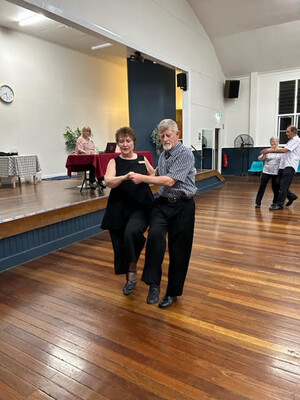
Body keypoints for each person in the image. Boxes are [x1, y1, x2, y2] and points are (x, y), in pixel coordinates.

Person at [129, 119, 197, 309]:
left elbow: (168, 181)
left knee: (179, 250)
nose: (165, 138)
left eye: (168, 135)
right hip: (162, 204)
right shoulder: (163, 154)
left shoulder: (185, 153)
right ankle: (154, 284)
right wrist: (149, 170)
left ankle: (172, 292)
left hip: (183, 206)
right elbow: (159, 173)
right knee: (155, 238)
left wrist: (143, 178)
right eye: (162, 136)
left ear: (177, 134)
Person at [101, 126, 155, 295]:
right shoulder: (114, 161)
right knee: (120, 243)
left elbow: (152, 175)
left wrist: (154, 174)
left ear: (133, 142)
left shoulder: (142, 159)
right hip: (118, 208)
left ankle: (132, 268)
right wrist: (124, 177)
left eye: (128, 141)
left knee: (131, 233)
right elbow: (108, 181)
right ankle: (129, 276)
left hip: (140, 207)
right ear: (118, 144)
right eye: (121, 141)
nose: (125, 144)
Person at [261, 125, 300, 210]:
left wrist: (269, 150)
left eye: (288, 131)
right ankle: (291, 196)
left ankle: (279, 204)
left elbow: (284, 150)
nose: (286, 133)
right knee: (277, 183)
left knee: (283, 185)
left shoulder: (296, 140)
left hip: (290, 165)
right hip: (283, 166)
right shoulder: (291, 141)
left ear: (293, 132)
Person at [255, 137, 281, 208]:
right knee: (262, 186)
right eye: (272, 142)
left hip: (276, 171)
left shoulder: (281, 150)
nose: (273, 143)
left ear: (277, 142)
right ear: (270, 143)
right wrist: (264, 154)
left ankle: (275, 202)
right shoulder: (267, 150)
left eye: (275, 142)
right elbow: (260, 158)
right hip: (266, 171)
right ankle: (258, 202)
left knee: (275, 187)